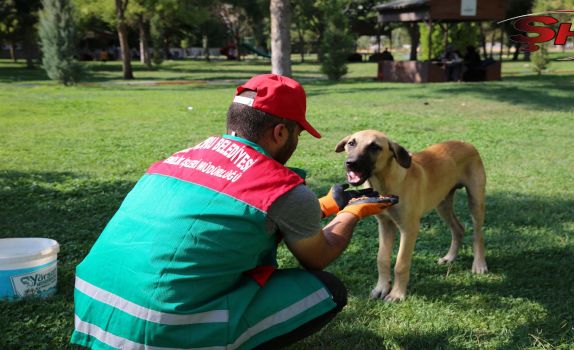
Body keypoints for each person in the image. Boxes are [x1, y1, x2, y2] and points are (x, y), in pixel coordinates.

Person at [70, 74, 398, 350]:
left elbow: (234, 218)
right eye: (297, 133)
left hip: (92, 310)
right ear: (280, 132)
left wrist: (325, 206)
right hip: (159, 331)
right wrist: (352, 213)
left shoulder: (180, 157)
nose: (296, 140)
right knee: (329, 289)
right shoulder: (282, 188)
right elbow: (318, 256)